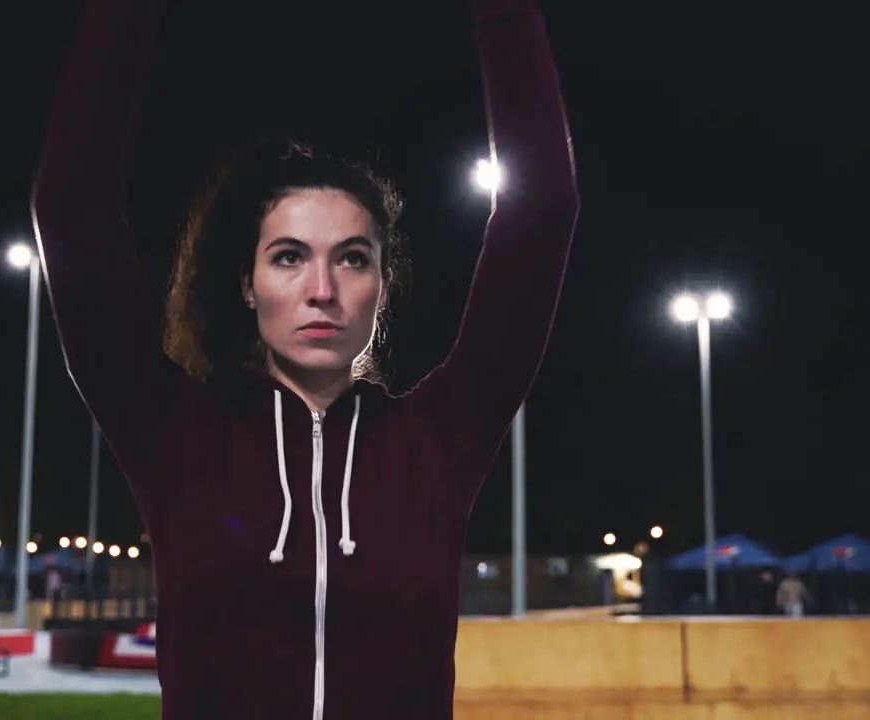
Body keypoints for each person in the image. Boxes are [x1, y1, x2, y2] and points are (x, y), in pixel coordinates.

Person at [30, 0, 578, 717]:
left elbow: (544, 214)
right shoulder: (175, 434)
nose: (322, 290)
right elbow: (73, 206)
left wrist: (506, 16)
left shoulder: (438, 442)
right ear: (247, 287)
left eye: (352, 260)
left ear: (382, 289)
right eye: (289, 258)